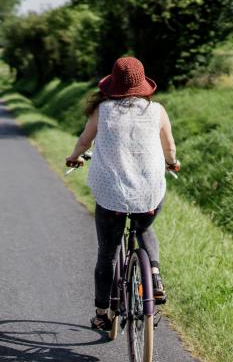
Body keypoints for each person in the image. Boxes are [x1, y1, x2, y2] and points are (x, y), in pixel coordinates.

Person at [65, 56, 179, 332]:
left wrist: (74, 157)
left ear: (112, 84)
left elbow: (84, 141)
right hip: (149, 191)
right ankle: (154, 275)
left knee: (108, 252)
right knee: (144, 229)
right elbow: (169, 148)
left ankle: (103, 313)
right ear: (143, 84)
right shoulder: (157, 110)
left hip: (111, 195)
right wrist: (172, 162)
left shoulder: (103, 111)